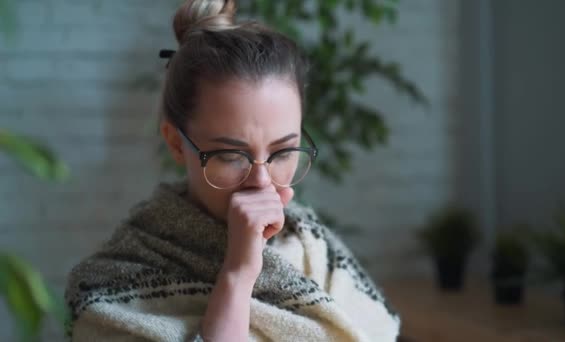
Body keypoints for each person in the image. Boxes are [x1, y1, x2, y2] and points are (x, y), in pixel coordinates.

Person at [65, 0, 400, 340]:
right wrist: (238, 275)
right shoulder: (114, 282)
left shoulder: (313, 245)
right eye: (230, 155)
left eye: (283, 151)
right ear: (177, 143)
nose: (261, 181)